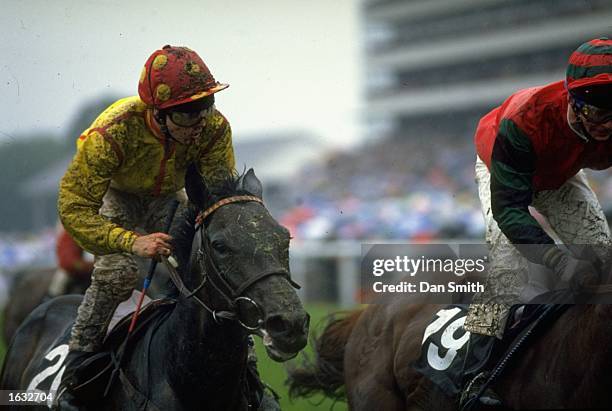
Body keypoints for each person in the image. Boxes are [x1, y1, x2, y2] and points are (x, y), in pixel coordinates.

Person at [56, 45, 238, 408]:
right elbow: (74, 209)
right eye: (188, 112)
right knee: (118, 272)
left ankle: (243, 359)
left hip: (170, 195)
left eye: (206, 104)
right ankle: (77, 365)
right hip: (117, 195)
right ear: (158, 112)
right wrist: (132, 242)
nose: (201, 119)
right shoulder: (113, 133)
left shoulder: (213, 128)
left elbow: (218, 195)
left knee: (215, 259)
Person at [463, 37, 612, 404]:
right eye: (598, 113)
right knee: (507, 270)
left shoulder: (600, 119)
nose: (608, 125)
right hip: (506, 170)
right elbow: (510, 210)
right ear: (573, 103)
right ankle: (474, 374)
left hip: (561, 173)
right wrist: (559, 261)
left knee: (603, 257)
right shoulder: (526, 120)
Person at [47, 225, 94, 298]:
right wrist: (90, 266)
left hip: (86, 268)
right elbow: (68, 261)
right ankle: (50, 300)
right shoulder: (69, 233)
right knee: (60, 282)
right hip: (71, 269)